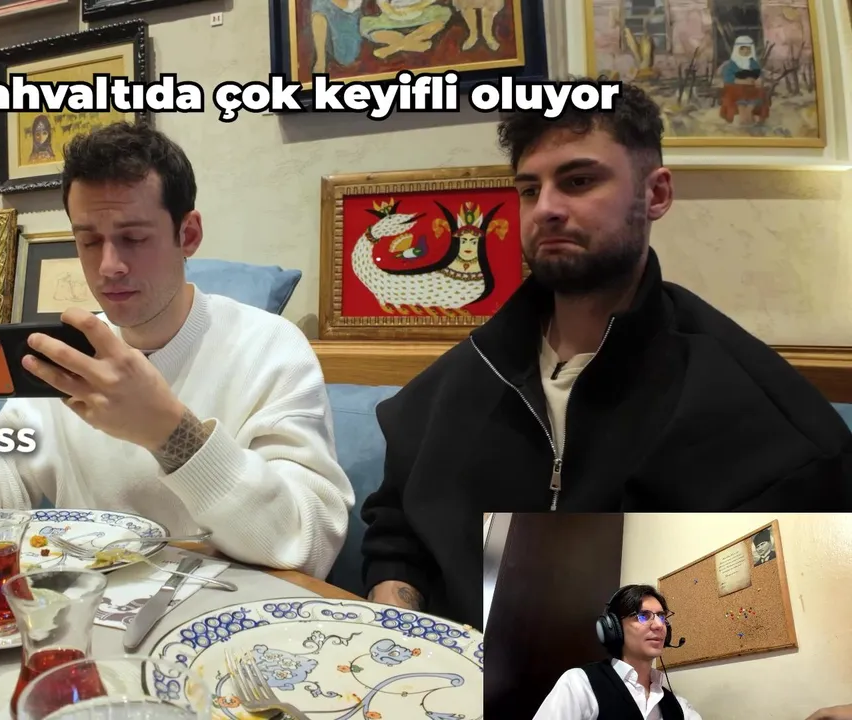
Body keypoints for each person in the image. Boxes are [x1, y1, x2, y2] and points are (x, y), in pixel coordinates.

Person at [361, 81, 852, 625]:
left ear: (655, 194)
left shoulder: (769, 422)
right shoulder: (461, 378)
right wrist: (398, 626)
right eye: (530, 189)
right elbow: (397, 534)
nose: (546, 209)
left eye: (578, 181)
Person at [0, 121, 356, 579]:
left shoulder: (270, 347)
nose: (109, 266)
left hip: (220, 612)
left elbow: (310, 544)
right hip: (77, 607)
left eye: (134, 238)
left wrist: (172, 433)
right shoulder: (67, 355)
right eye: (89, 241)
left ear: (188, 234)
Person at [533, 584, 702, 719]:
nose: (659, 625)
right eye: (643, 615)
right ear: (613, 628)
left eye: (662, 616)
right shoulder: (580, 684)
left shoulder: (678, 705)